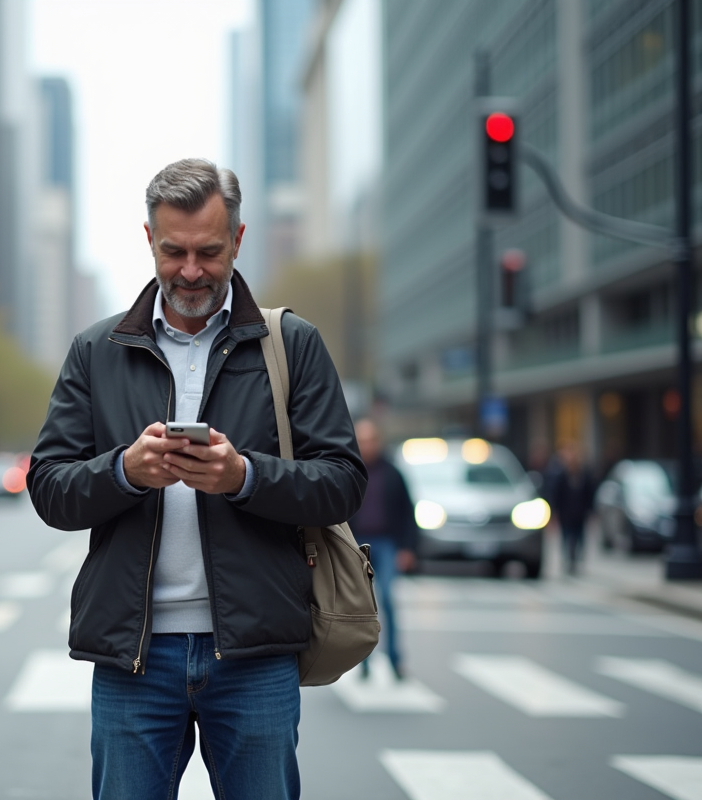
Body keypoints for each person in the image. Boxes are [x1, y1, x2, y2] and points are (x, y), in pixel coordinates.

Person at [27, 158, 367, 800]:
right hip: (133, 657)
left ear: (238, 239)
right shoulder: (96, 351)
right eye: (173, 251)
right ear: (148, 239)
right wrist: (124, 471)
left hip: (255, 654)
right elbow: (48, 487)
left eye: (208, 252)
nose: (190, 270)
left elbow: (343, 482)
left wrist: (244, 476)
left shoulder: (291, 344)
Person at [349, 419, 418, 681]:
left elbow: (408, 511)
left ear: (378, 441)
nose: (367, 446)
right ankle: (363, 661)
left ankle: (394, 658)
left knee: (387, 598)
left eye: (371, 440)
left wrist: (408, 548)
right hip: (358, 544)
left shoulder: (393, 473)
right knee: (362, 605)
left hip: (387, 542)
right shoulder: (350, 471)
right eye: (362, 441)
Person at [549, 441, 596, 575]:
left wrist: (591, 511)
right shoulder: (561, 476)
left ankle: (576, 560)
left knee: (580, 537)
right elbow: (556, 495)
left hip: (580, 513)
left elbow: (589, 494)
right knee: (566, 537)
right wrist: (554, 513)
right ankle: (568, 559)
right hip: (566, 514)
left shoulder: (584, 475)